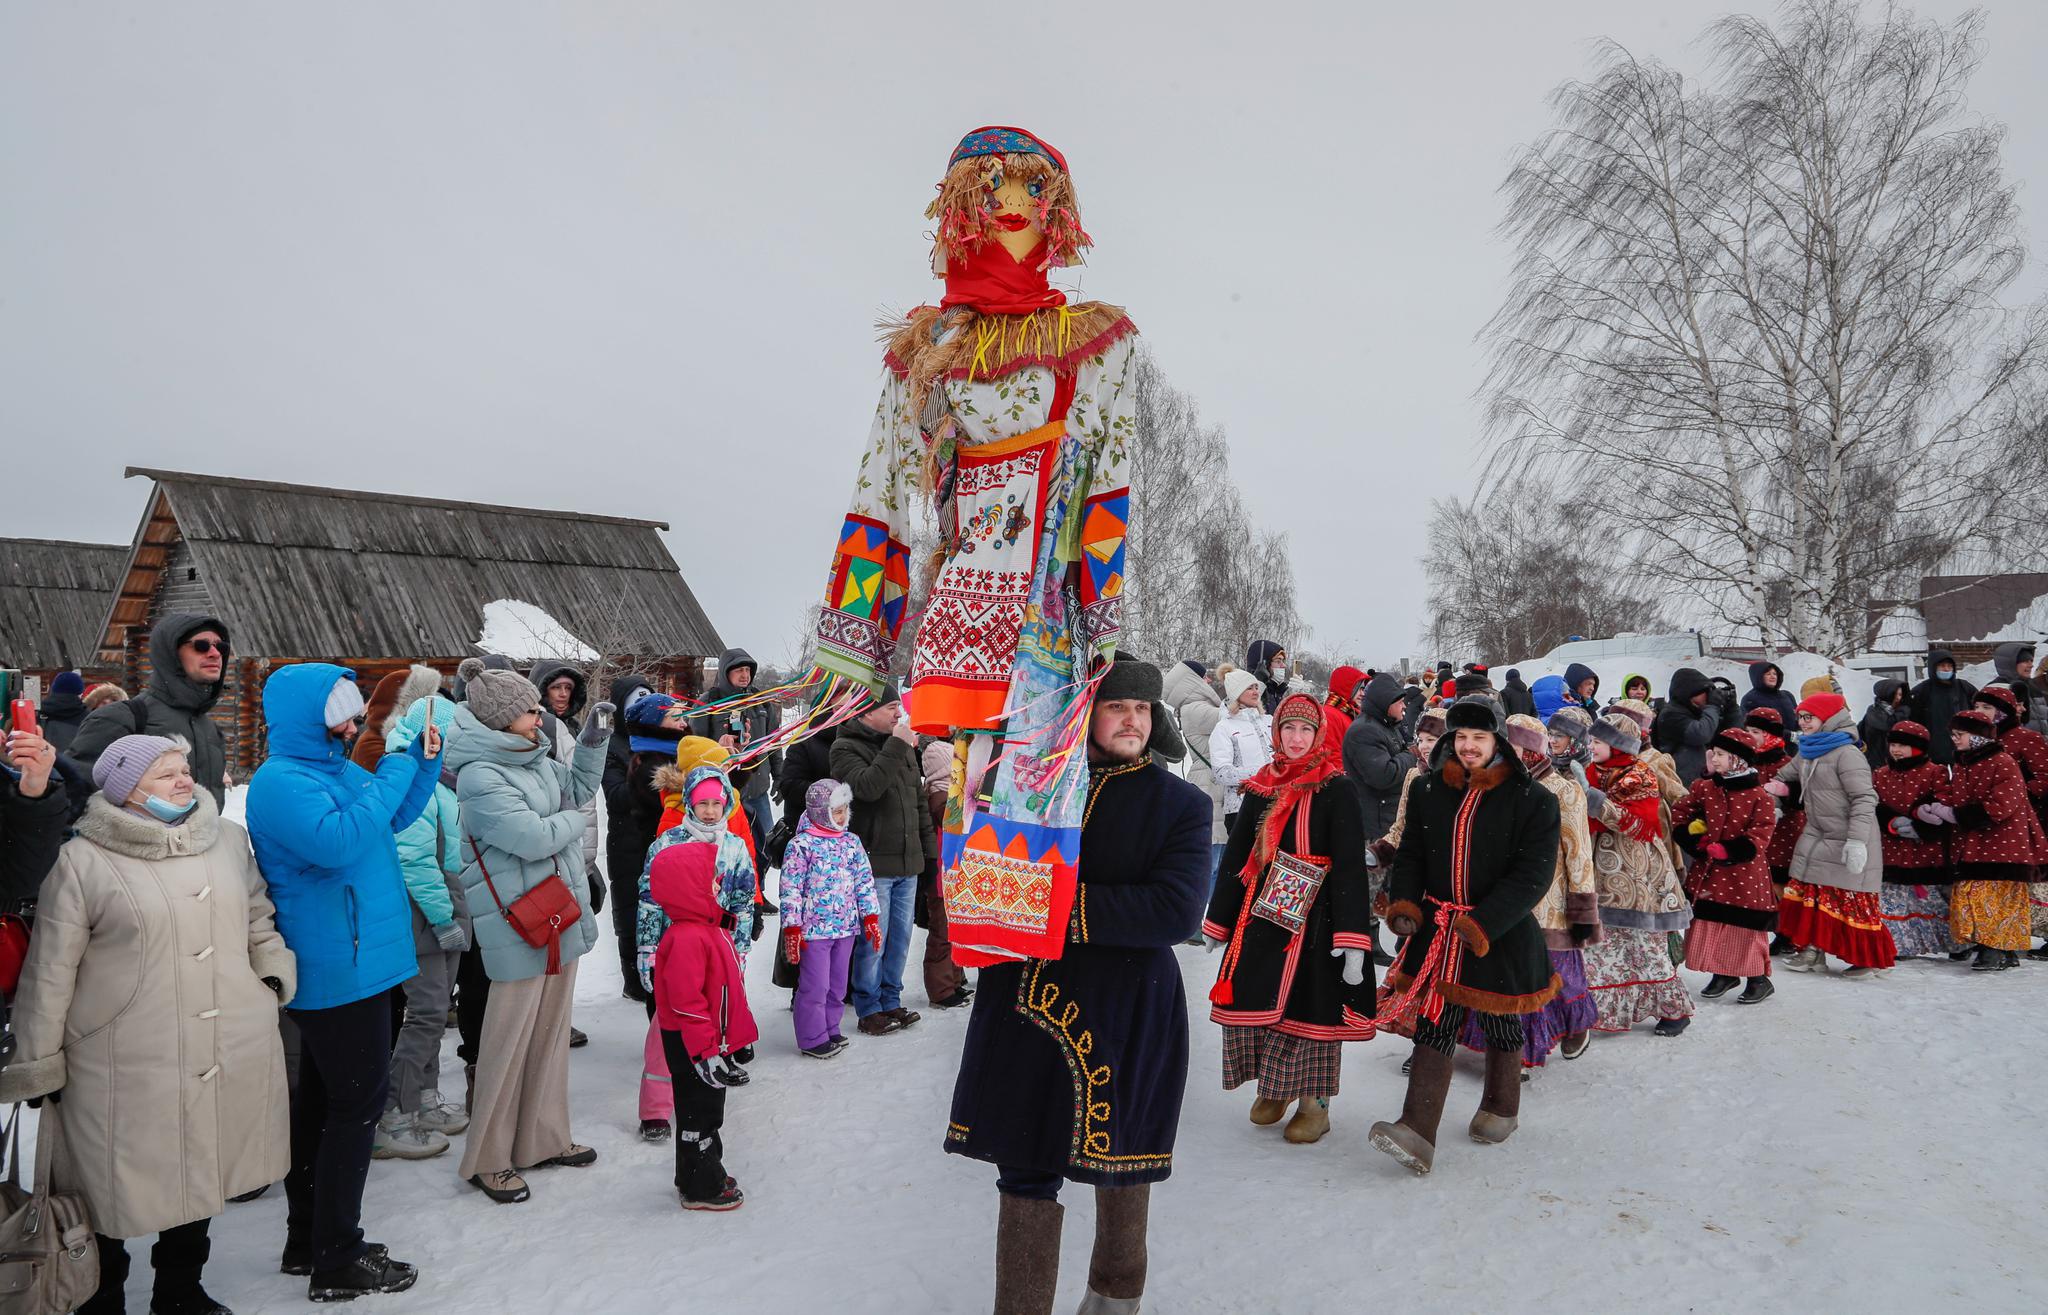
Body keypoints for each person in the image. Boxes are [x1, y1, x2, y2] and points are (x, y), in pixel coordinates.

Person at [946, 655, 1209, 1314]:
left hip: (1127, 1007)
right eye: (1117, 706)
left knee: (1122, 1162)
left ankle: (1115, 1299)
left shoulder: (1182, 804)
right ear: (1086, 714)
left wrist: (1047, 906)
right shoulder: (1024, 787)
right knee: (1023, 1169)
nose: (1132, 720)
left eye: (1142, 708)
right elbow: (975, 868)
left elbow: (1175, 911)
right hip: (1023, 1002)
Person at [0, 735, 296, 1315]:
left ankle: (180, 1292)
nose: (184, 781)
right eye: (165, 775)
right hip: (124, 1055)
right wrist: (38, 1060)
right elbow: (52, 967)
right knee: (110, 1185)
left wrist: (268, 977)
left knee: (201, 1168)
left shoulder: (226, 840)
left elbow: (257, 916)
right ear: (126, 790)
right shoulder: (82, 859)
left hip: (224, 1039)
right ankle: (102, 1294)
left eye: (184, 769)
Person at [246, 662, 437, 1300]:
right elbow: (340, 842)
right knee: (354, 1109)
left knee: (324, 1105)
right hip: (337, 969)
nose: (354, 728)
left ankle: (308, 1241)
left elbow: (390, 817)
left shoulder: (333, 769)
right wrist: (395, 769)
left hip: (363, 961)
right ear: (309, 719)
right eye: (343, 720)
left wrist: (422, 763)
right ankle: (337, 1257)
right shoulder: (281, 781)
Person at [1369, 698, 1562, 1176]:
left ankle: (1501, 1108)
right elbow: (1411, 853)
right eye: (1460, 737)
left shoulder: (1534, 800)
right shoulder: (1429, 789)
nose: (1468, 746)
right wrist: (1405, 904)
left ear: (1499, 741)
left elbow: (1533, 875)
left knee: (1499, 1019)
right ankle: (1417, 1131)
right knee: (1436, 1020)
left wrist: (1484, 923)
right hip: (1440, 929)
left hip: (1499, 931)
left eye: (1479, 737)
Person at [443, 658, 610, 1204]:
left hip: (557, 912)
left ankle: (543, 1138)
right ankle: (488, 1158)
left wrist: (592, 743)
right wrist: (571, 826)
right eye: (531, 710)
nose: (541, 716)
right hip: (518, 923)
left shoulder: (533, 755)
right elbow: (532, 837)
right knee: (507, 1043)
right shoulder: (479, 774)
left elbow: (577, 788)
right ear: (501, 718)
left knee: (549, 1035)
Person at [1204, 694, 1373, 1145]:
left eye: (1306, 730)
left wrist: (1352, 938)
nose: (1296, 739)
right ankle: (1275, 1089)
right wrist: (1219, 919)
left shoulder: (1336, 787)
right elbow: (1238, 855)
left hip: (1319, 916)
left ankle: (1315, 1106)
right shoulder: (1262, 784)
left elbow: (1350, 866)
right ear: (1276, 733)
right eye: (1288, 729)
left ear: (1318, 735)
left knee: (1310, 1008)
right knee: (1262, 1002)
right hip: (1265, 914)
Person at [1462, 714, 1600, 1065]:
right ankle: (1514, 1051)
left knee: (1558, 973)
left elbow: (1579, 852)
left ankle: (1575, 1026)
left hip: (1549, 900)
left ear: (1530, 750)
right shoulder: (1491, 785)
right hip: (1504, 898)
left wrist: (1583, 908)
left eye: (1512, 746)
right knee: (1511, 975)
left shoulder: (1563, 790)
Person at [375, 693, 471, 1161]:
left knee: (435, 1008)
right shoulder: (412, 775)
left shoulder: (442, 779)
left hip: (446, 900)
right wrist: (442, 918)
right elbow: (413, 861)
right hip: (423, 909)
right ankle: (395, 1112)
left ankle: (425, 1099)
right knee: (427, 1012)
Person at [647, 842, 759, 1210]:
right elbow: (688, 1004)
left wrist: (732, 1041)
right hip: (692, 1043)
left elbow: (726, 991)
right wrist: (705, 1052)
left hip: (710, 1042)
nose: (718, 883)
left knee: (710, 1110)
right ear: (686, 888)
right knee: (697, 1114)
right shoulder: (685, 938)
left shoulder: (710, 928)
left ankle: (703, 1171)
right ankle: (700, 1186)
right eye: (709, 879)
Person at [1581, 712, 1694, 1037]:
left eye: (1599, 741)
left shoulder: (1639, 775)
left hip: (1636, 872)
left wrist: (1590, 796)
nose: (1592, 746)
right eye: (1591, 740)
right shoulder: (1592, 771)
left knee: (1645, 946)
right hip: (1600, 871)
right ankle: (1600, 1012)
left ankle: (1673, 1010)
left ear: (1618, 744)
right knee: (1601, 947)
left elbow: (1631, 822)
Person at [830, 681, 926, 1035]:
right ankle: (869, 1007)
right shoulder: (844, 748)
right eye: (890, 707)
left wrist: (927, 854)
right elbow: (867, 788)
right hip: (873, 865)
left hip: (907, 861)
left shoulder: (900, 746)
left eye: (898, 706)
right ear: (867, 712)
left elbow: (918, 803)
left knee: (900, 939)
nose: (899, 713)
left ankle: (891, 1000)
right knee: (874, 940)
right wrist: (898, 744)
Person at [1777, 693, 1893, 977]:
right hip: (1817, 834)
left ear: (1828, 719)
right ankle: (1812, 950)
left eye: (1810, 717)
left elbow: (1864, 798)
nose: (1803, 723)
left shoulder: (1847, 754)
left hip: (1849, 835)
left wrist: (1856, 842)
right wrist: (1776, 800)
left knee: (1850, 901)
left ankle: (1867, 958)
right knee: (1813, 895)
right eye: (1801, 718)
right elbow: (1780, 778)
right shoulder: (1807, 751)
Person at [71, 613, 234, 807]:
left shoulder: (211, 730)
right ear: (170, 653)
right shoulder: (120, 719)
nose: (215, 653)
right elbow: (75, 802)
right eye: (201, 645)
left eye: (221, 647)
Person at [1673, 728, 1783, 1005]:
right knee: (1712, 921)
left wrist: (1734, 850)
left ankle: (1758, 979)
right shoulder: (1706, 788)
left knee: (1742, 927)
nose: (1714, 759)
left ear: (1738, 759)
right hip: (1710, 872)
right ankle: (1723, 973)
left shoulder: (1759, 796)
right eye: (1714, 754)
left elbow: (1762, 831)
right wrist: (1693, 837)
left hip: (1744, 875)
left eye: (1721, 755)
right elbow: (1681, 811)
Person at [1937, 705, 2048, 971]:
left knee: (1995, 895)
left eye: (1960, 734)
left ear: (1977, 736)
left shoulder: (2003, 762)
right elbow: (1959, 796)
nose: (1954, 739)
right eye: (1953, 734)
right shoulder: (1963, 764)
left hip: (2003, 842)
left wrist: (1959, 815)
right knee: (1975, 894)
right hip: (1975, 842)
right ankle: (2001, 948)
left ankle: (1994, 948)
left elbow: (2002, 804)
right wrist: (1939, 806)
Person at [780, 779, 882, 1058]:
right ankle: (812, 1037)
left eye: (844, 809)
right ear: (820, 811)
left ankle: (829, 1027)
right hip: (814, 931)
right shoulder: (801, 845)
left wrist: (870, 916)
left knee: (837, 984)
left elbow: (864, 881)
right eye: (835, 811)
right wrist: (792, 928)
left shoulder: (851, 842)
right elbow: (790, 889)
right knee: (816, 985)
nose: (841, 816)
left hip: (845, 927)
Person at [1872, 720, 1961, 959]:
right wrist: (1890, 822)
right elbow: (1873, 803)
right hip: (1892, 848)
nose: (1896, 750)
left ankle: (1955, 944)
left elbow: (1943, 802)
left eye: (1903, 745)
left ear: (1919, 748)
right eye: (1893, 745)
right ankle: (1898, 944)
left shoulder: (1935, 772)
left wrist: (1921, 823)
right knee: (1894, 896)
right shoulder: (1880, 774)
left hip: (1926, 850)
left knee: (1932, 897)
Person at [529, 660, 604, 929]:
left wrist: (586, 860)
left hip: (570, 839)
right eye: (555, 687)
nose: (562, 694)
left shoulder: (574, 729)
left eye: (568, 688)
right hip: (545, 839)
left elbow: (584, 799)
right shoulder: (537, 731)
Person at [689, 648, 781, 851]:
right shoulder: (709, 702)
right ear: (725, 672)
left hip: (757, 791)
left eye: (747, 670)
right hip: (721, 794)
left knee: (765, 849)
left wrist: (779, 776)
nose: (744, 675)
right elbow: (695, 744)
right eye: (739, 670)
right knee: (728, 852)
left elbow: (774, 742)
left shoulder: (761, 701)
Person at [599, 673, 656, 997]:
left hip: (659, 837)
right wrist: (651, 777)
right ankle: (633, 980)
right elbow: (616, 796)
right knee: (630, 909)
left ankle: (658, 972)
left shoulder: (664, 741)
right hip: (626, 838)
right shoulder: (613, 745)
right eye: (636, 702)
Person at [915, 737, 972, 1006]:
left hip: (952, 873)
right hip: (941, 876)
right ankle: (941, 990)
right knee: (942, 934)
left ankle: (955, 980)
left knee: (954, 932)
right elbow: (951, 821)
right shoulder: (939, 796)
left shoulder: (947, 793)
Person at [1163, 659, 1228, 887]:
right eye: (1203, 677)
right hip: (1210, 784)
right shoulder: (1196, 709)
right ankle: (1205, 906)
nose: (1208, 680)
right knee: (1212, 863)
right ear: (1191, 681)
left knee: (1217, 860)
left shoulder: (1194, 707)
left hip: (1211, 782)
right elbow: (1232, 718)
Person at [1211, 668, 1271, 837]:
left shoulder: (1269, 721)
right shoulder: (1224, 727)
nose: (1256, 692)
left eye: (1256, 687)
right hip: (1241, 809)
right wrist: (1263, 773)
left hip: (1275, 804)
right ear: (1237, 693)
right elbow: (1221, 773)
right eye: (1249, 688)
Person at [349, 666, 441, 773]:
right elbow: (405, 778)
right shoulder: (372, 744)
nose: (421, 711)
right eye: (415, 705)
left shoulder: (407, 739)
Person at [1652, 667, 1721, 785]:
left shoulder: (1701, 712)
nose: (1708, 696)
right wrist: (1713, 707)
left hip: (1702, 779)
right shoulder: (1670, 714)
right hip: (1681, 782)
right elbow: (1701, 734)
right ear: (1690, 693)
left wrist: (1731, 709)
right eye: (1705, 692)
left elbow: (1730, 733)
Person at [1908, 649, 1978, 765]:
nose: (1946, 669)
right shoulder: (1922, 691)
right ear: (1933, 668)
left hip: (1964, 751)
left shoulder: (1964, 687)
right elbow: (1913, 722)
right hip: (1934, 753)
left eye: (1950, 666)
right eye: (1942, 666)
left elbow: (1979, 713)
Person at [1991, 641, 2047, 726]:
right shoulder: (1997, 690)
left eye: (2031, 661)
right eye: (2025, 661)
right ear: (2010, 664)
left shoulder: (2033, 686)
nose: (2031, 665)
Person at [36, 670, 89, 754]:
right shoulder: (87, 718)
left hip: (44, 759)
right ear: (80, 692)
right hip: (72, 761)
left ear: (54, 689)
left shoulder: (39, 713)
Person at [1861, 679, 1908, 770]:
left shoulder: (1900, 712)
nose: (1898, 698)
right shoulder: (1874, 712)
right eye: (1895, 694)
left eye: (1900, 695)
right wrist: (1903, 713)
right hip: (1877, 763)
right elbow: (1887, 725)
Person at [1740, 661, 1799, 731]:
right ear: (1758, 677)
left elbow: (1799, 718)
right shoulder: (1749, 700)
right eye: (1768, 674)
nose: (1773, 677)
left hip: (1797, 736)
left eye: (1775, 674)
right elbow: (1755, 727)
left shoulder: (1787, 695)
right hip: (1771, 737)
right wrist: (1788, 735)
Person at [1246, 639, 1290, 715]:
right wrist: (1258, 685)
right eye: (1278, 661)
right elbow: (1245, 715)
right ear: (1264, 665)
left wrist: (1297, 695)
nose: (1284, 666)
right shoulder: (1240, 692)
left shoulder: (1276, 692)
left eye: (1283, 661)